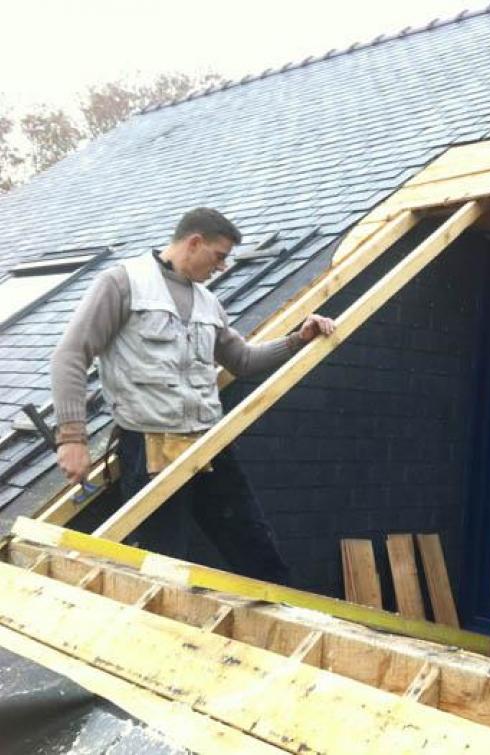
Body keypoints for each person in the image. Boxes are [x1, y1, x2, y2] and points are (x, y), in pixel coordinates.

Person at [51, 207, 335, 584]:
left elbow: (242, 359)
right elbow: (70, 355)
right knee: (162, 564)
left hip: (206, 443)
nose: (222, 267)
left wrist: (298, 339)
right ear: (194, 242)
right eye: (218, 256)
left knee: (254, 545)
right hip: (150, 447)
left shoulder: (207, 302)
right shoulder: (123, 284)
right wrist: (72, 438)